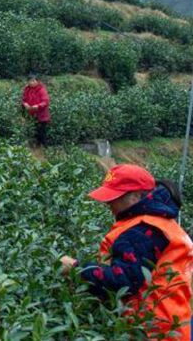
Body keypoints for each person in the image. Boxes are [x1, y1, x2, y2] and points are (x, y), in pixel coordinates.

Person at [59, 165, 192, 339]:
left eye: (115, 197)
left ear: (136, 196)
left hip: (150, 331)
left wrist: (77, 268)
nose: (108, 203)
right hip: (175, 322)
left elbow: (123, 280)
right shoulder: (161, 222)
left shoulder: (142, 231)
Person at [21, 72, 50, 147]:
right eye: (30, 81)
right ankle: (37, 148)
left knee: (41, 133)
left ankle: (46, 149)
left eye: (33, 81)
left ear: (37, 81)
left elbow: (45, 101)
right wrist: (25, 104)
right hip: (31, 114)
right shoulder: (27, 89)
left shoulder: (41, 89)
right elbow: (23, 99)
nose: (32, 82)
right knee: (34, 132)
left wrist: (38, 106)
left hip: (41, 115)